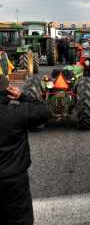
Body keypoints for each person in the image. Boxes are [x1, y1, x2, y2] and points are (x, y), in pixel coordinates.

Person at [0, 75, 50, 224]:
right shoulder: (16, 113)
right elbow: (44, 110)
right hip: (14, 181)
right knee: (20, 219)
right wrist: (22, 96)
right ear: (7, 92)